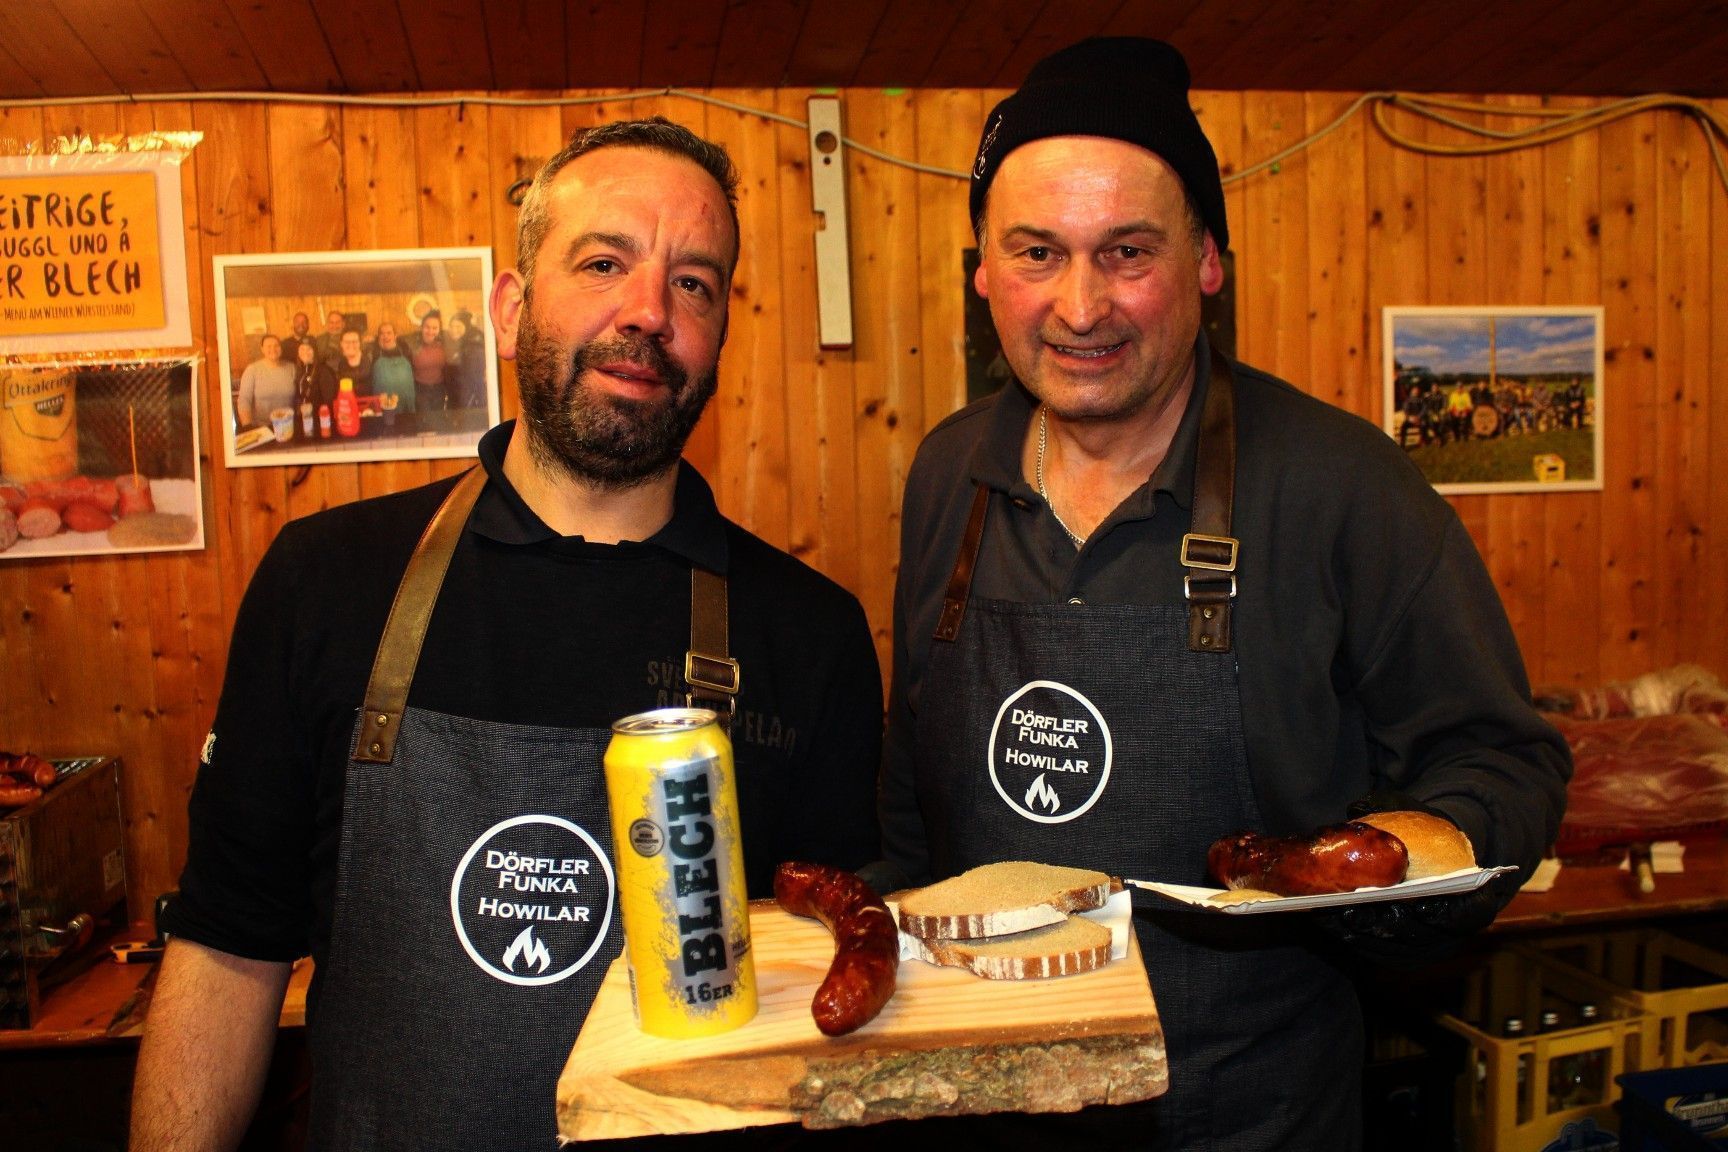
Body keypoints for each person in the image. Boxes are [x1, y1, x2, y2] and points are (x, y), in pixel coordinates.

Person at [131, 116, 884, 1152]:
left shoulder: (811, 635)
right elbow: (224, 953)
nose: (649, 313)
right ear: (510, 306)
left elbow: (836, 995)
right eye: (604, 261)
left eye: (695, 283)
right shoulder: (327, 584)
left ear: (718, 335)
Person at [879, 38, 1570, 1151]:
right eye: (1038, 252)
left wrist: (1380, 860)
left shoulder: (1342, 485)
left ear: (1208, 261)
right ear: (982, 274)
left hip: (1249, 1112)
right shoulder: (948, 474)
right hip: (983, 1095)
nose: (1081, 304)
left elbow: (1504, 762)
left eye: (1129, 252)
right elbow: (912, 786)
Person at [235, 334, 297, 427]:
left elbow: (299, 397)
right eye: (269, 346)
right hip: (262, 428)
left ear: (281, 348)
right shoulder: (252, 369)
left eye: (276, 345)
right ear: (262, 349)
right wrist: (247, 427)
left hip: (288, 425)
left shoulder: (291, 368)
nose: (273, 349)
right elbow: (244, 400)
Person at [405, 308, 453, 413]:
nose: (430, 331)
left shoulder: (445, 344)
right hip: (420, 389)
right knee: (425, 420)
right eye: (427, 327)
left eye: (434, 328)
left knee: (438, 418)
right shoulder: (412, 344)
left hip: (439, 389)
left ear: (439, 329)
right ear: (421, 328)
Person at [446, 309, 489, 409]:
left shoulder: (473, 347)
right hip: (460, 396)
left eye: (458, 326)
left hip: (467, 401)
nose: (454, 330)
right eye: (451, 326)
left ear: (467, 326)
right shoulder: (462, 343)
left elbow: (475, 381)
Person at [369, 320, 415, 413]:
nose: (385, 336)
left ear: (395, 335)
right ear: (378, 337)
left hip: (406, 402)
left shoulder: (405, 350)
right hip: (383, 404)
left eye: (389, 333)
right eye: (382, 333)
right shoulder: (373, 353)